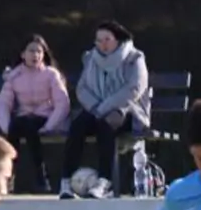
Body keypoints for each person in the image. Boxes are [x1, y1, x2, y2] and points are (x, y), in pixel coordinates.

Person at [58, 20, 151, 199]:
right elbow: (82, 88)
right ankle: (66, 182)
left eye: (107, 39)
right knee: (78, 125)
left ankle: (104, 182)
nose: (103, 44)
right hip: (96, 109)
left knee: (106, 125)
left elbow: (135, 88)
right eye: (99, 40)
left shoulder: (135, 58)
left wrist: (106, 106)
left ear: (118, 39)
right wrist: (95, 106)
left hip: (127, 111)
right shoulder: (90, 58)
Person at [0, 34, 71, 194]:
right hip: (24, 117)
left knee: (30, 128)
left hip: (45, 118)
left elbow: (62, 103)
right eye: (31, 51)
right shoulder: (14, 76)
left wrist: (50, 125)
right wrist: (5, 126)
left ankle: (41, 178)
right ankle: (9, 176)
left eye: (39, 51)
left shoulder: (51, 75)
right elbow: (3, 103)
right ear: (23, 54)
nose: (35, 55)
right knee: (16, 126)